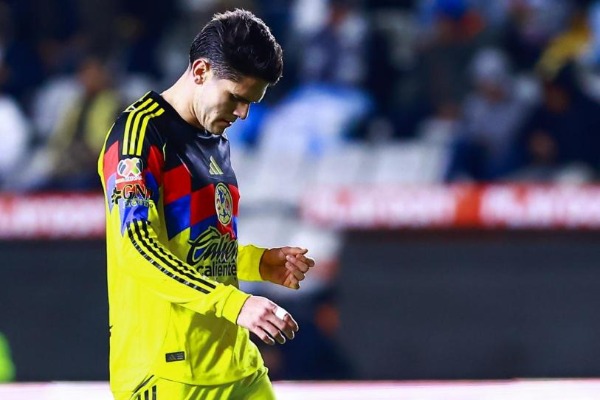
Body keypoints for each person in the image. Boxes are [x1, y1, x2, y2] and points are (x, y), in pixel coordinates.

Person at [97, 9, 315, 400]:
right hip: (167, 376)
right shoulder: (139, 135)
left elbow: (198, 247)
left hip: (237, 368)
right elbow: (137, 249)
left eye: (251, 103)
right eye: (236, 98)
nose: (243, 113)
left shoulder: (214, 140)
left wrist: (258, 262)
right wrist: (235, 304)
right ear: (201, 71)